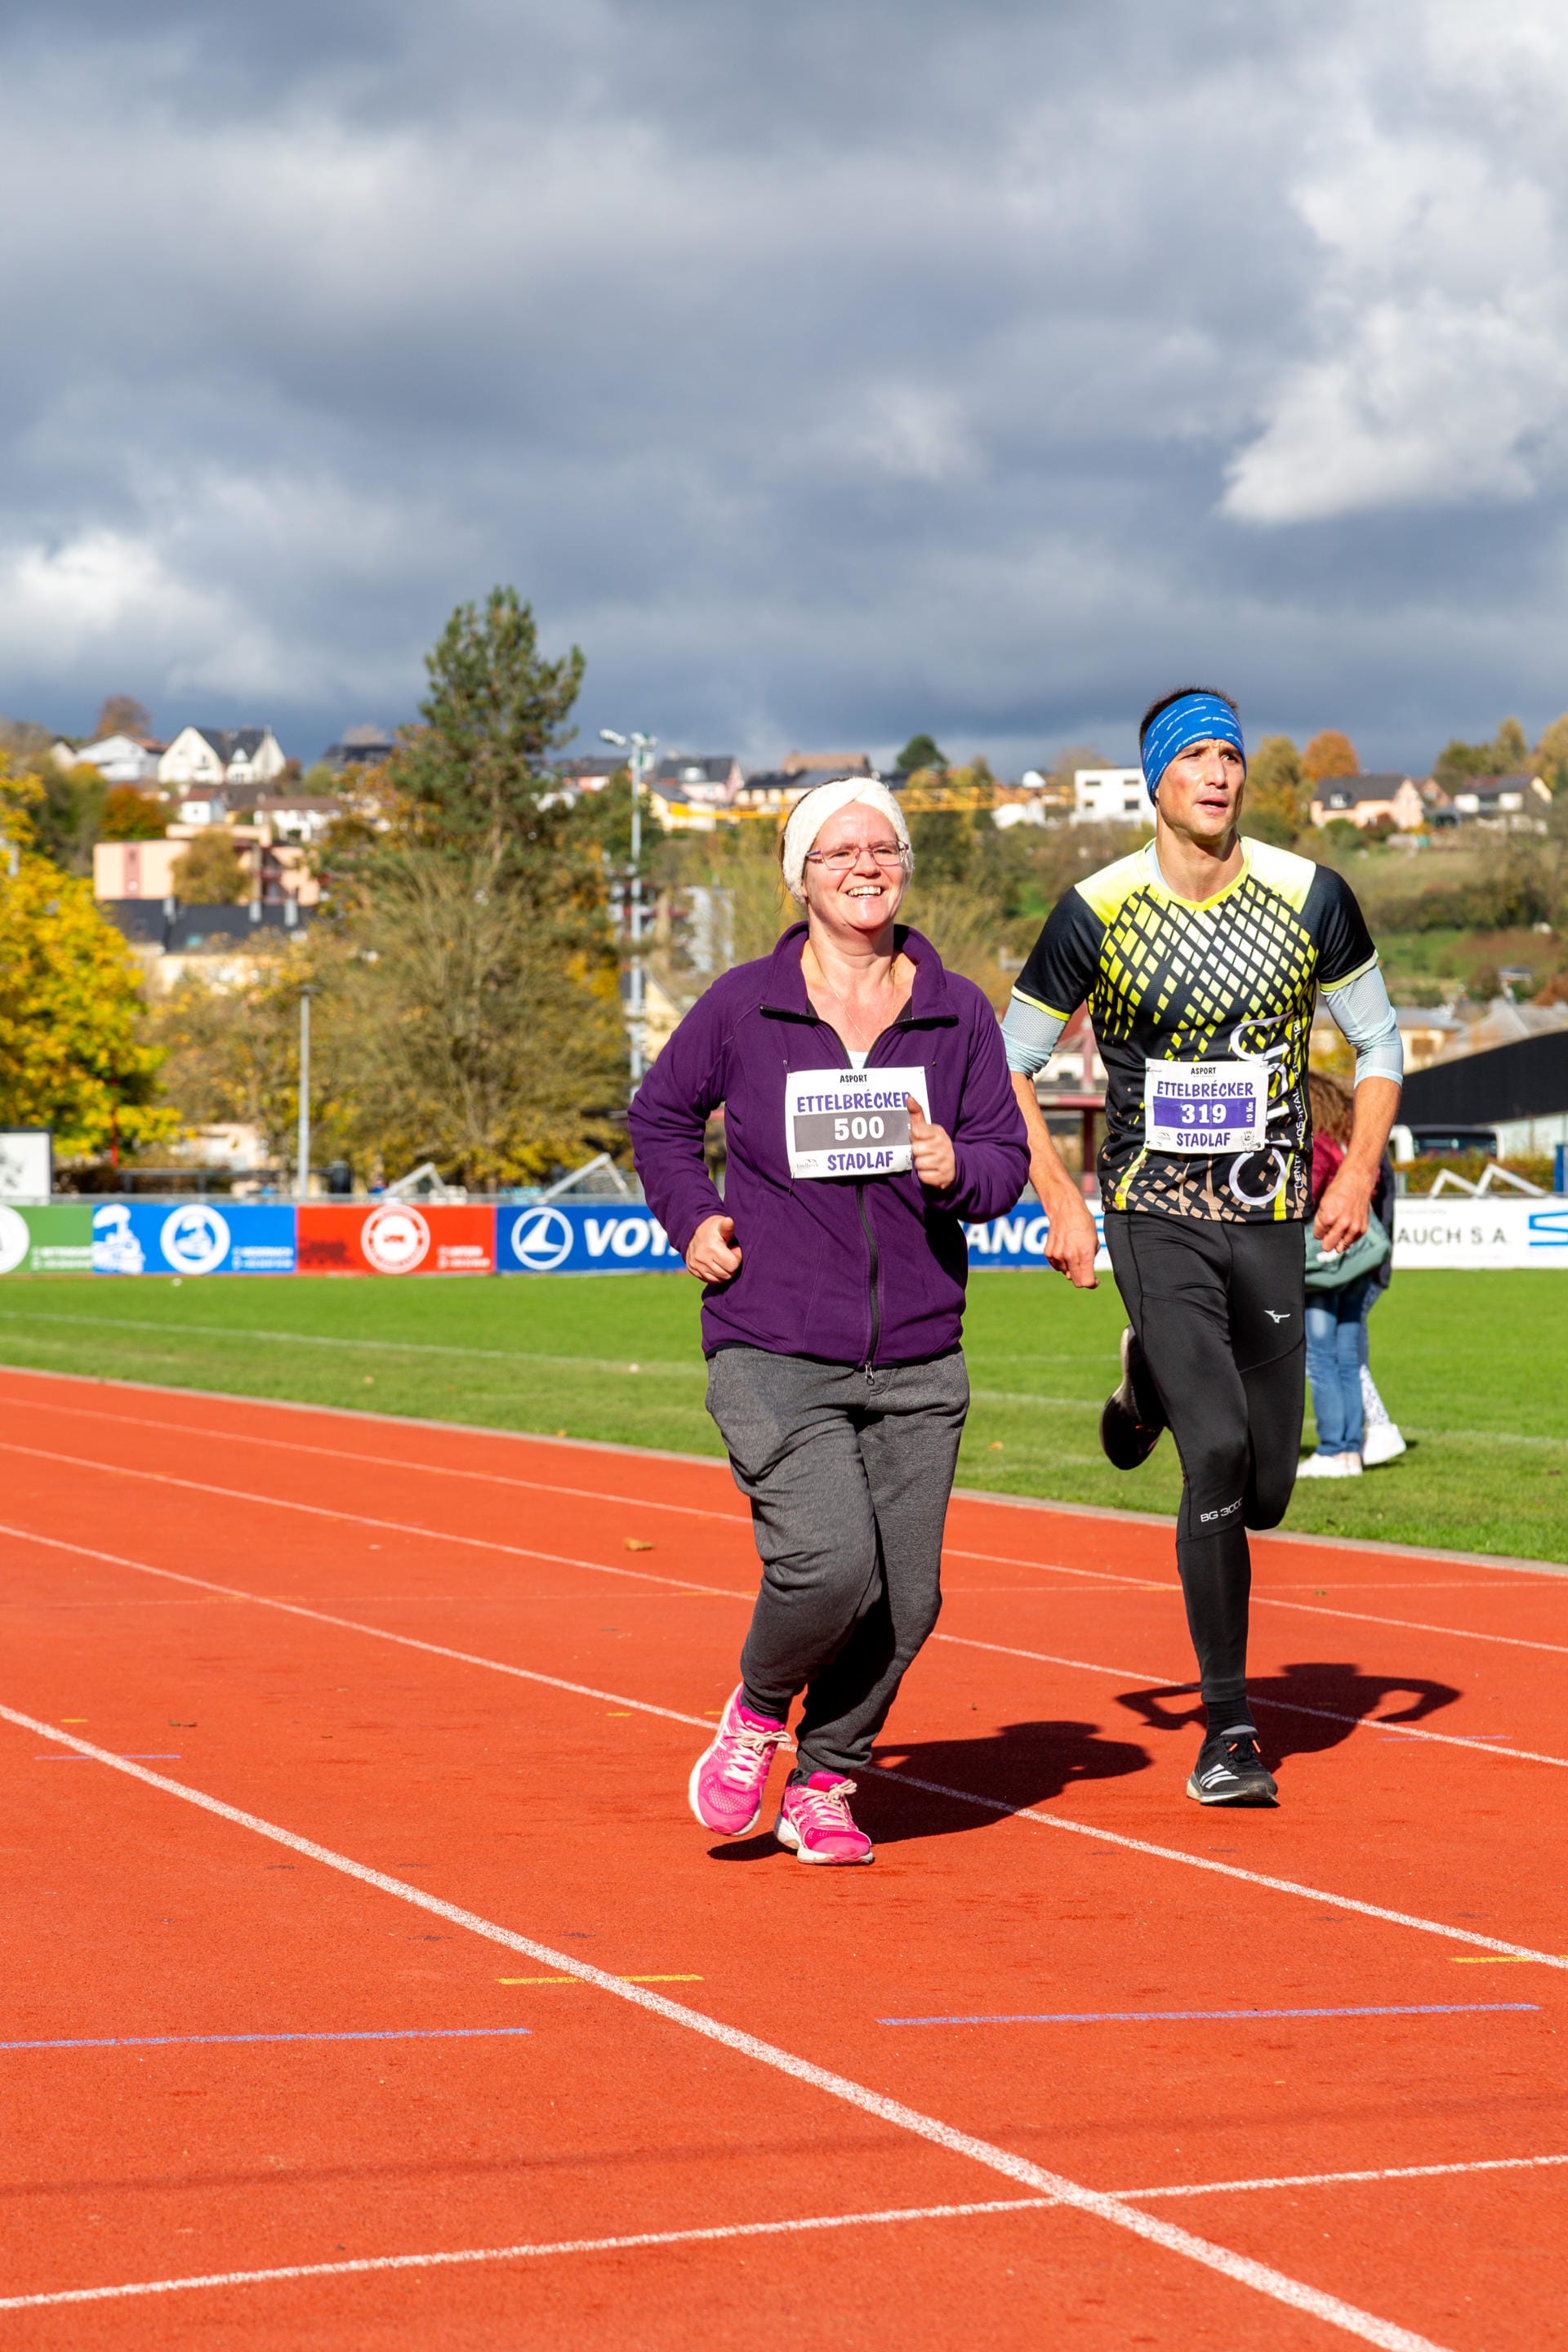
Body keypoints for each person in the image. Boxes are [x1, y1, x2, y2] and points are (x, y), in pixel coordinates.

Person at [1000, 688, 1402, 1808]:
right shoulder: (1097, 909)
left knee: (1267, 1489)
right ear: (1156, 782)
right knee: (1215, 1451)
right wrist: (1060, 1194)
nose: (1218, 774)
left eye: (1232, 755)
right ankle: (1230, 1732)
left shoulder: (1311, 896)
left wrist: (1358, 1171)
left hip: (1269, 1210)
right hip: (1152, 1206)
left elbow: (1379, 1042)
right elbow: (1008, 1059)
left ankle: (1145, 1386)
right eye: (1196, 758)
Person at [630, 777, 1029, 1864]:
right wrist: (693, 1217)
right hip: (772, 1343)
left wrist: (957, 1167)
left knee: (910, 1599)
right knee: (831, 1564)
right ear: (799, 877)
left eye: (882, 848)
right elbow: (661, 1117)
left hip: (918, 1355)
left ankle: (827, 1779)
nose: (865, 866)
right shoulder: (744, 1005)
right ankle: (759, 1711)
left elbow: (1004, 1160)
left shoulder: (957, 1011)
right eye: (839, 851)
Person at [1298, 1071, 1403, 1477]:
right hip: (1357, 1261)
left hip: (1324, 1261)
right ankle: (1349, 1451)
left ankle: (1332, 1450)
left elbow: (1305, 1196)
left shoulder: (1319, 1143)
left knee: (1321, 1358)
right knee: (1345, 1355)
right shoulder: (1353, 1142)